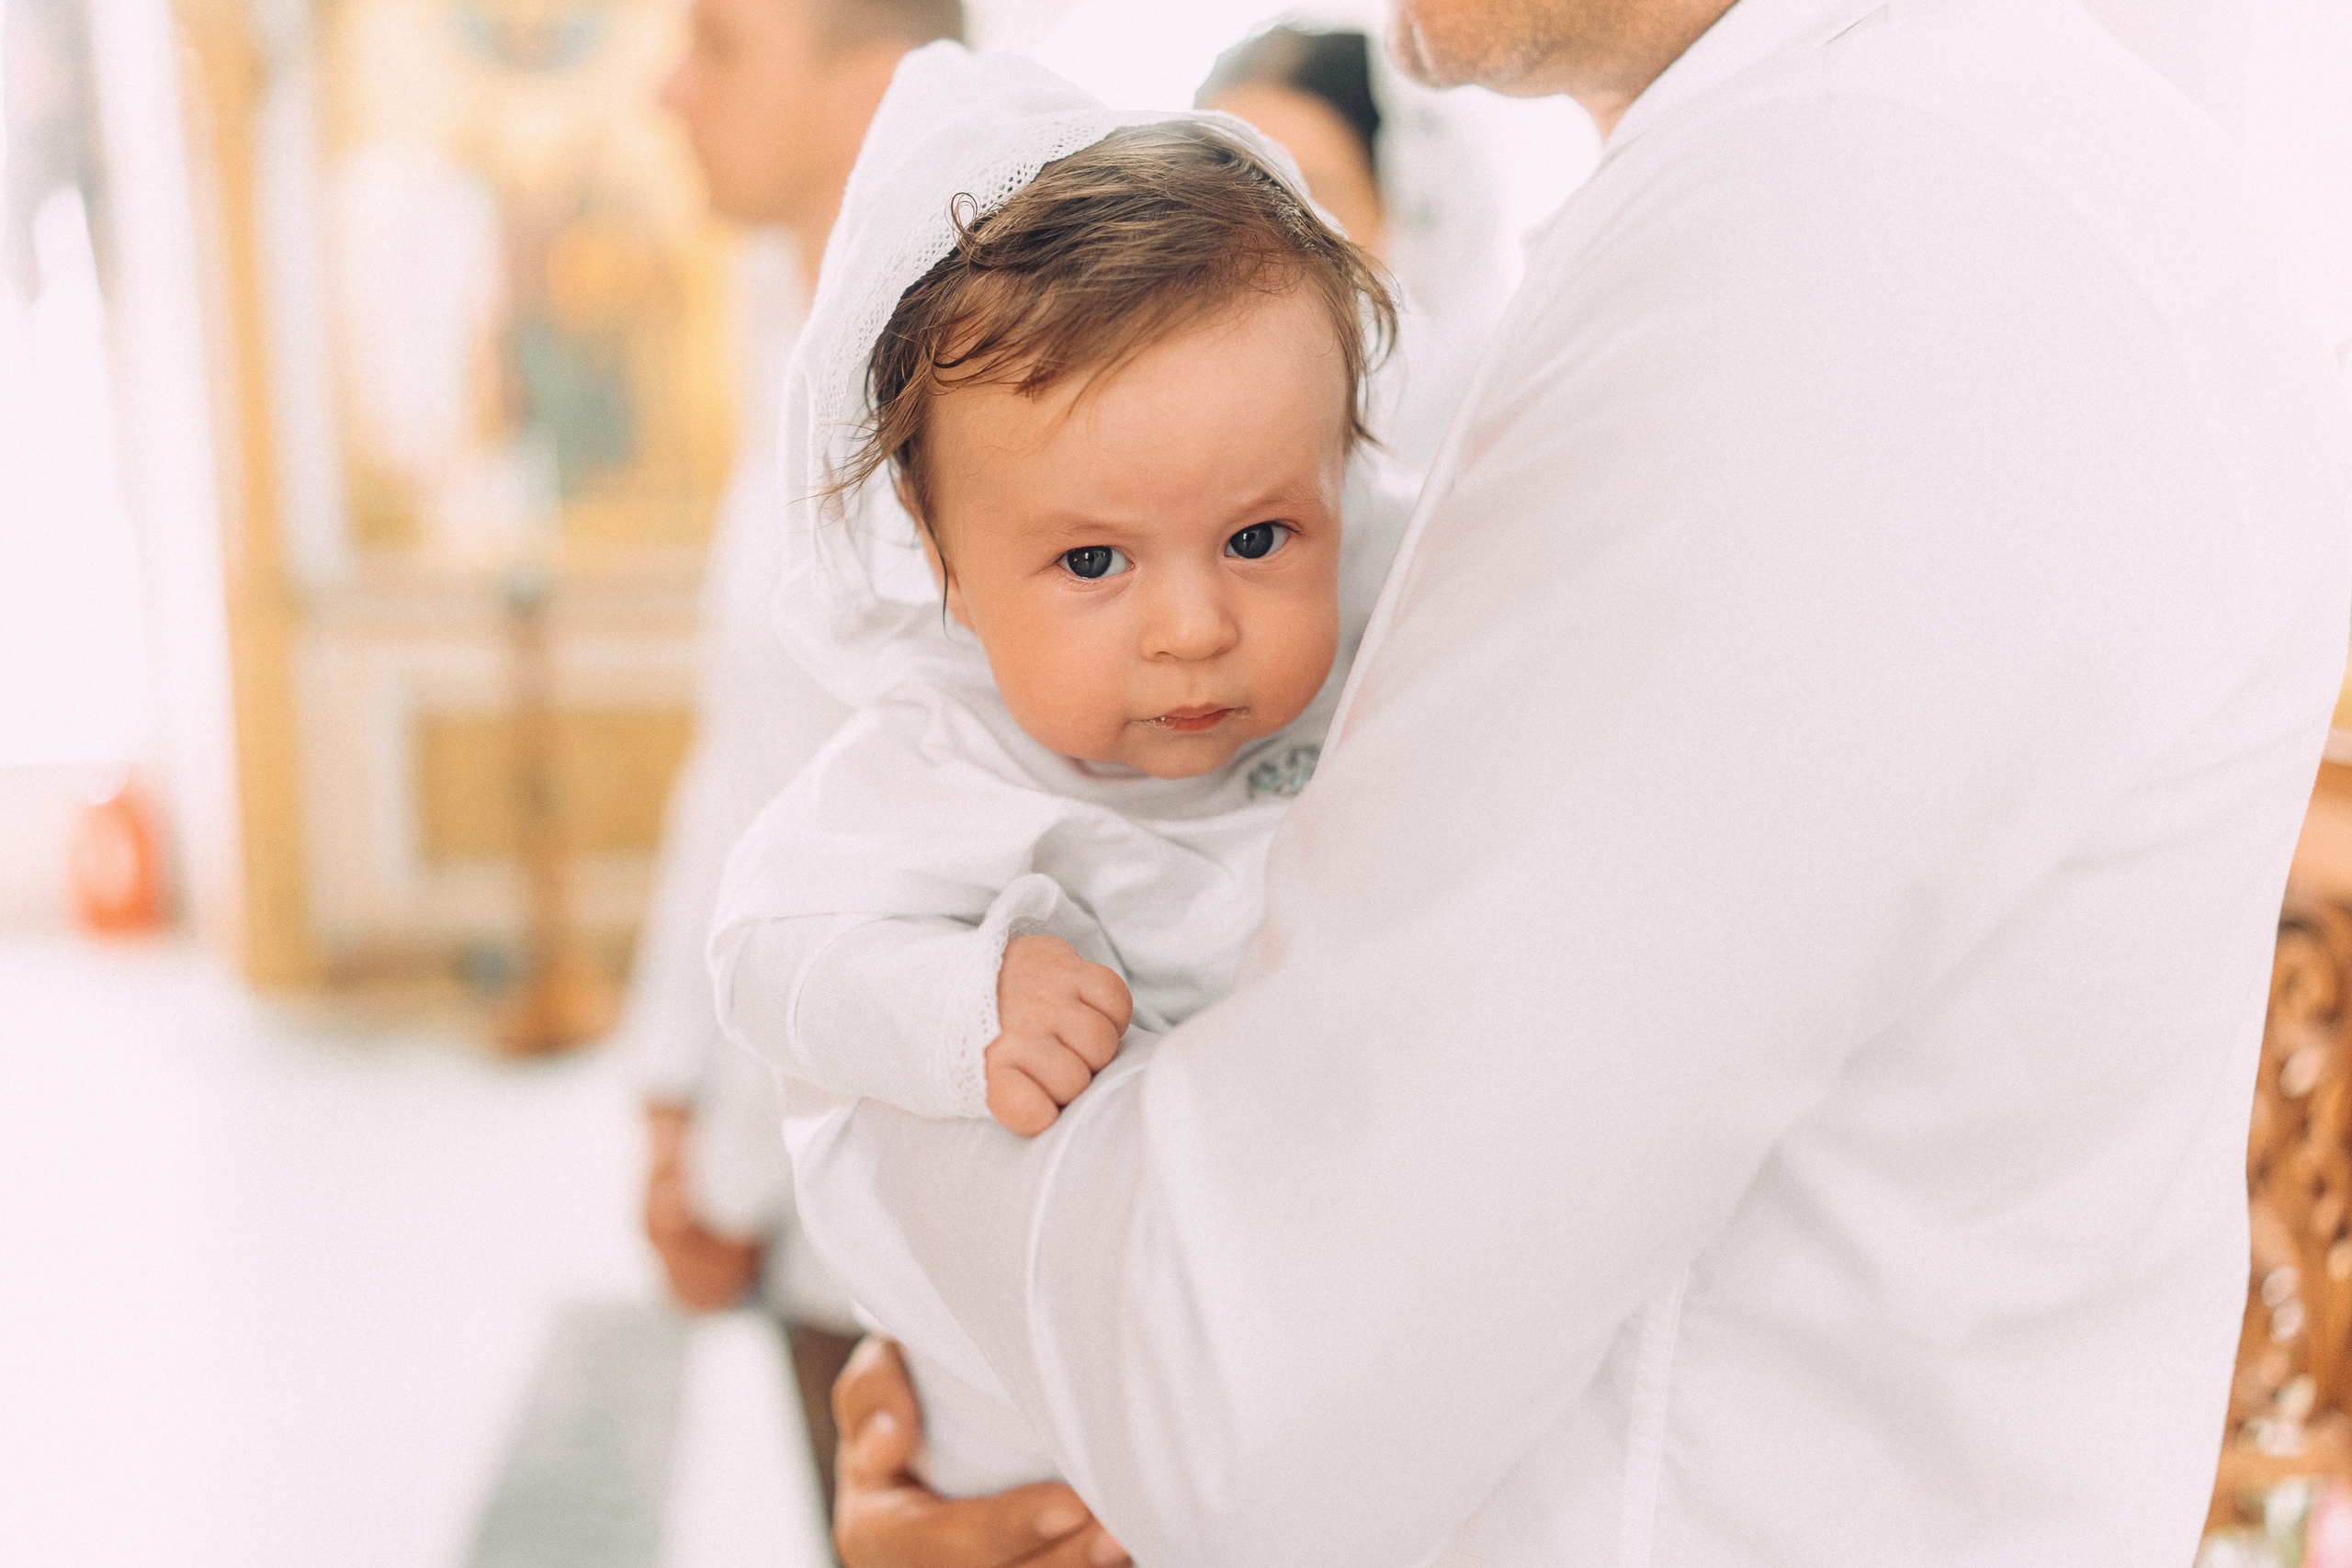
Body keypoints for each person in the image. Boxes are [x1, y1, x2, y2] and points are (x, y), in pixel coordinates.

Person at [804, 0, 2352, 1562]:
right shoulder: (1808, 186)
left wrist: (875, 1119)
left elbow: (1241, 1384)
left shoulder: (1870, 241)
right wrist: (1024, 1406)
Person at [707, 43, 1408, 1500]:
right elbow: (763, 950)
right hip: (1026, 1452)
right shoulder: (940, 754)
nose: (1197, 626)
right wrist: (958, 1005)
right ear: (945, 555)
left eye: (1262, 536)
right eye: (1094, 561)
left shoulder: (1383, 685)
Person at [1197, 22, 1511, 472]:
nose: (1251, 241)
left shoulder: (1504, 425)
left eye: (1311, 202)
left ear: (1408, 210)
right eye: (1222, 198)